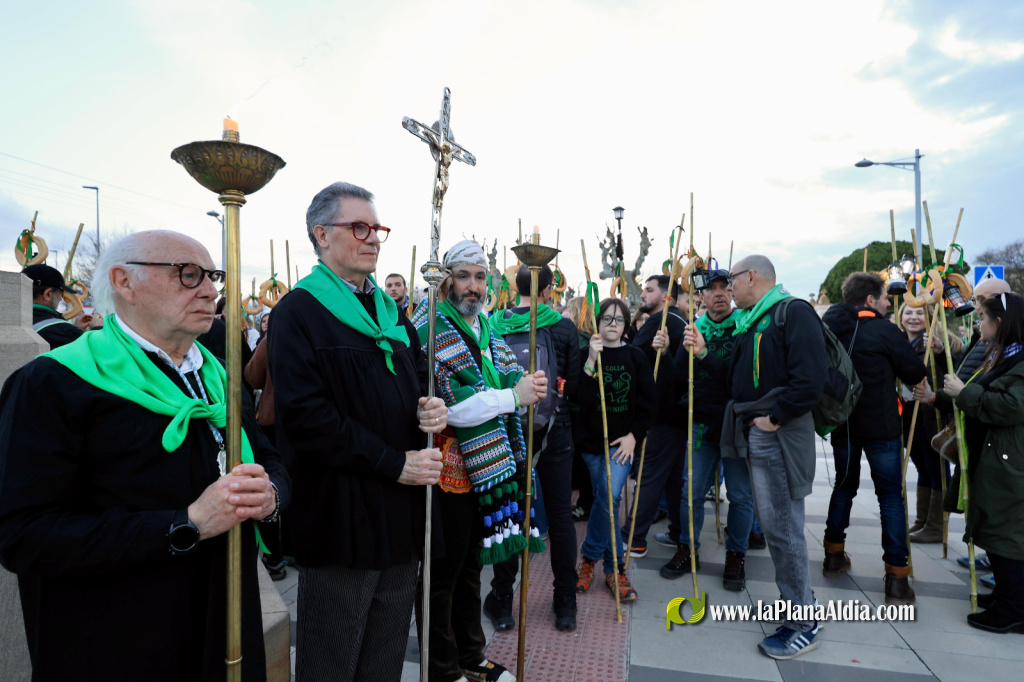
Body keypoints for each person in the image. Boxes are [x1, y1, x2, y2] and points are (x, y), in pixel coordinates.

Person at [0, 230, 289, 681]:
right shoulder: (53, 383)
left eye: (213, 276)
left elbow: (270, 460)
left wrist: (269, 495)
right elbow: (23, 534)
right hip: (119, 641)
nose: (211, 291)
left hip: (224, 624)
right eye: (188, 274)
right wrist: (184, 524)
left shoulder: (219, 379)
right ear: (124, 281)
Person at [268, 182, 447, 681]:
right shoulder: (298, 313)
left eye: (377, 230)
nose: (374, 240)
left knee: (384, 659)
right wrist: (396, 464)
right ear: (321, 234)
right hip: (342, 519)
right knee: (333, 660)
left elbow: (411, 385)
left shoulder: (393, 315)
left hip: (400, 519)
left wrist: (428, 409)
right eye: (360, 228)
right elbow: (307, 419)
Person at [411, 239, 547, 682]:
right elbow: (452, 408)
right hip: (445, 469)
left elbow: (508, 375)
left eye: (481, 276)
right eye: (464, 276)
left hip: (483, 467)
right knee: (441, 576)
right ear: (447, 280)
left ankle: (472, 656)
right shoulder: (432, 326)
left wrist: (525, 384)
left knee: (471, 569)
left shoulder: (485, 326)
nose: (473, 286)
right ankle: (443, 670)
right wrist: (513, 395)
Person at [709, 255, 826, 659]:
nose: (728, 289)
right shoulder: (753, 320)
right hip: (756, 432)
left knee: (782, 526)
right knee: (777, 525)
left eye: (732, 280)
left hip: (779, 435)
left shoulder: (792, 313)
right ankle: (799, 605)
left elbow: (812, 378)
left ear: (751, 277)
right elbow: (735, 378)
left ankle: (802, 621)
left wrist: (774, 418)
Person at [820, 273, 928, 605]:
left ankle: (833, 555)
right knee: (891, 498)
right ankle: (897, 576)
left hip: (845, 425)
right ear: (869, 300)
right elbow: (913, 373)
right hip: (882, 427)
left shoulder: (831, 329)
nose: (886, 303)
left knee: (843, 486)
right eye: (883, 298)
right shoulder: (885, 331)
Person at [485, 264, 581, 632]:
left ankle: (503, 601)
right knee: (559, 516)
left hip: (510, 430)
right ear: (547, 291)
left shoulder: (496, 324)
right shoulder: (562, 326)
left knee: (511, 513)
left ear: (517, 286)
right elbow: (570, 384)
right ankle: (565, 602)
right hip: (556, 430)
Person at [653, 269, 756, 591]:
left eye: (725, 287)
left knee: (740, 495)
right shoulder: (695, 329)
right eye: (711, 289)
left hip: (736, 424)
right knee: (690, 493)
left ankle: (736, 554)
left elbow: (738, 379)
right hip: (700, 425)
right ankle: (687, 548)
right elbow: (679, 379)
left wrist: (705, 352)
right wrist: (669, 351)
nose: (719, 293)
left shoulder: (745, 328)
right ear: (701, 296)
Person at [937, 293, 1024, 633]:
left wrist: (964, 393)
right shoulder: (1001, 354)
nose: (978, 323)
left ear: (999, 323)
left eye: (983, 317)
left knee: (1007, 533)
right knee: (996, 529)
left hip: (1009, 460)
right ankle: (1007, 596)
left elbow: (1010, 406)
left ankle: (1013, 609)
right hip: (996, 456)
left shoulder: (1019, 360)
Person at [919, 277, 1013, 576]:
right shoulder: (986, 337)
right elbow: (968, 365)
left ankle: (1006, 577)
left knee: (1002, 511)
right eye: (977, 300)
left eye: (984, 301)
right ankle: (995, 562)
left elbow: (988, 390)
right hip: (974, 426)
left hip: (997, 438)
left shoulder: (1011, 347)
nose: (976, 306)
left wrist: (951, 396)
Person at [575, 297, 654, 601]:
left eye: (618, 320)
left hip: (622, 443)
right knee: (606, 502)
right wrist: (592, 361)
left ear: (626, 325)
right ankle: (613, 569)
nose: (612, 325)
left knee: (610, 493)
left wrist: (635, 435)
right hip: (590, 444)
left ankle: (590, 559)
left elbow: (649, 405)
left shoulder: (635, 357)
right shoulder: (586, 354)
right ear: (597, 323)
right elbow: (577, 399)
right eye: (606, 319)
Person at [623, 275, 687, 558]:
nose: (643, 295)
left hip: (662, 415)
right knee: (672, 479)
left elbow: (631, 358)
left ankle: (634, 538)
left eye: (649, 290)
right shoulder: (680, 320)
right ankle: (678, 532)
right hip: (677, 414)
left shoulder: (661, 321)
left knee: (649, 476)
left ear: (665, 296)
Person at [897, 303, 950, 544]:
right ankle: (922, 520)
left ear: (929, 317)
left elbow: (950, 369)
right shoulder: (900, 343)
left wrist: (939, 351)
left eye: (920, 313)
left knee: (936, 468)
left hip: (931, 413)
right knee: (922, 466)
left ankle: (937, 526)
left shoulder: (938, 342)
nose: (914, 317)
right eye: (908, 312)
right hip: (908, 414)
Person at [22, 263, 84, 349]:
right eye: (60, 294)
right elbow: (101, 354)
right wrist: (96, 327)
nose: (60, 299)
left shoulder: (7, 324)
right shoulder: (67, 333)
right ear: (48, 294)